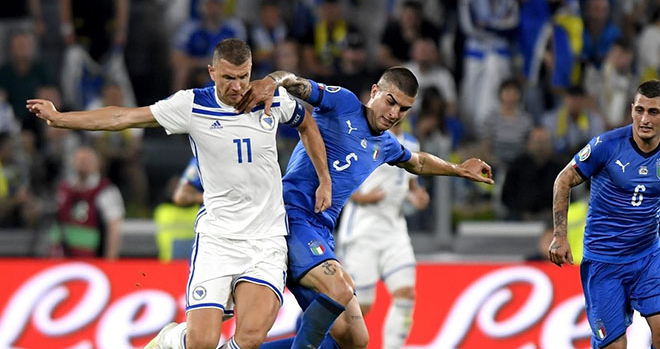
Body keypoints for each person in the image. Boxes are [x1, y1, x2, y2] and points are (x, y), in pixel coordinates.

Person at [27, 38, 332, 349]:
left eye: (243, 76)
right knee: (201, 342)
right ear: (212, 72)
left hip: (266, 238)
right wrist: (61, 118)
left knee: (251, 337)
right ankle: (172, 337)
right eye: (228, 78)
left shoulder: (270, 99)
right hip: (218, 239)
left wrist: (324, 179)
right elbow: (123, 117)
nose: (238, 86)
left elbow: (307, 123)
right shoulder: (191, 105)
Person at [236, 66, 493, 349]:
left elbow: (417, 162)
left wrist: (459, 169)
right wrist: (271, 82)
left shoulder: (386, 144)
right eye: (390, 101)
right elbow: (295, 83)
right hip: (292, 217)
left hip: (321, 231)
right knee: (339, 289)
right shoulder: (343, 103)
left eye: (404, 109)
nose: (394, 114)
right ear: (374, 92)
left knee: (354, 339)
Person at [549, 80, 660, 349]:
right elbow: (563, 180)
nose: (644, 119)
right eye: (640, 110)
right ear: (632, 109)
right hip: (604, 262)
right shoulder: (607, 145)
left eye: (654, 112)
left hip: (648, 257)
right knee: (615, 346)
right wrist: (559, 236)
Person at [336, 121, 429, 349]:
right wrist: (360, 197)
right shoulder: (363, 140)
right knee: (361, 306)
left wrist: (416, 195)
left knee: (406, 294)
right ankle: (324, 340)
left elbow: (410, 183)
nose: (397, 114)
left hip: (395, 229)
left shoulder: (411, 143)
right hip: (362, 231)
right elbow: (338, 177)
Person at [49, 146, 125, 259]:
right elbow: (56, 223)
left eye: (86, 160)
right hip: (64, 257)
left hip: (93, 257)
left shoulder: (106, 191)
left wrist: (110, 260)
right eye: (79, 160)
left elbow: (114, 228)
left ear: (96, 164)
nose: (82, 164)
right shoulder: (64, 188)